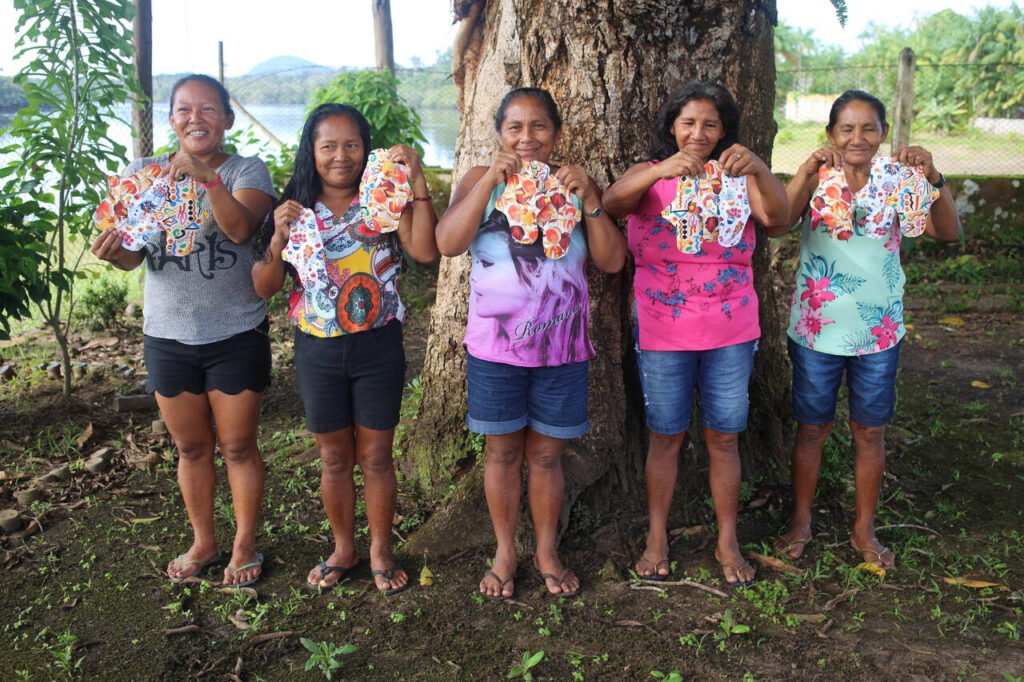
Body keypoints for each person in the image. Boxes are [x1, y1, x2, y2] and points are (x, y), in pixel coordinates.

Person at [436, 87, 626, 599]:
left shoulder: (573, 184)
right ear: (499, 133)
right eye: (515, 127)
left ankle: (546, 551)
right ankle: (504, 552)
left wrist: (591, 201)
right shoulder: (481, 179)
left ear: (557, 133)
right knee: (501, 453)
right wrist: (487, 185)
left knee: (546, 457)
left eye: (539, 126)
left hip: (562, 349)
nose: (527, 137)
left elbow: (612, 261)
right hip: (495, 349)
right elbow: (448, 243)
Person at [90, 74, 276, 586]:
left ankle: (244, 543)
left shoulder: (246, 169)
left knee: (237, 447)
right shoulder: (143, 174)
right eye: (185, 110)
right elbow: (134, 256)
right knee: (191, 449)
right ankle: (203, 541)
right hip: (167, 335)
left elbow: (240, 229)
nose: (197, 118)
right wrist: (114, 253)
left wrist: (206, 178)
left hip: (235, 333)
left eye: (209, 109)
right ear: (171, 119)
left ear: (227, 120)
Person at [603, 81, 790, 585]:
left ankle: (728, 540)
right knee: (665, 436)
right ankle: (656, 538)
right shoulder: (650, 173)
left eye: (711, 124)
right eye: (688, 122)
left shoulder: (738, 175)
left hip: (731, 330)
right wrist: (659, 170)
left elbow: (777, 220)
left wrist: (758, 167)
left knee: (724, 438)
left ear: (724, 129)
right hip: (663, 331)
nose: (699, 133)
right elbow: (611, 205)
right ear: (672, 126)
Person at [769, 90, 961, 568]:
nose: (858, 137)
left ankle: (863, 529)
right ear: (831, 134)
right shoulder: (818, 177)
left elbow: (947, 231)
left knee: (870, 432)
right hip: (818, 328)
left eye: (869, 128)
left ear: (883, 134)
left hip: (879, 330)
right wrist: (805, 171)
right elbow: (778, 223)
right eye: (847, 128)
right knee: (812, 429)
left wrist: (934, 177)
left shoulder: (899, 179)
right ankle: (800, 522)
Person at [251, 103, 438, 594]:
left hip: (379, 346)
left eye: (351, 144)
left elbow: (425, 251)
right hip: (317, 350)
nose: (341, 156)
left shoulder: (383, 198)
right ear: (311, 151)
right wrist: (277, 235)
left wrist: (416, 181)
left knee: (376, 457)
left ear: (366, 149)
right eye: (329, 146)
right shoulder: (293, 208)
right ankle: (343, 548)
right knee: (334, 459)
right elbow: (265, 287)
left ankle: (380, 550)